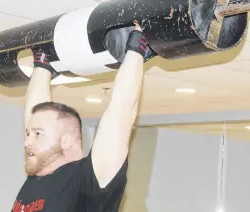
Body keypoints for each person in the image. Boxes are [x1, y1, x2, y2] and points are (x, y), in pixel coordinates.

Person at [12, 21, 149, 212]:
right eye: (28, 134)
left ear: (66, 140)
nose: (26, 142)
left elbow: (121, 114)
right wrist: (42, 65)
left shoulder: (88, 183)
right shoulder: (39, 175)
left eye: (37, 134)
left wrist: (137, 47)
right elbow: (35, 114)